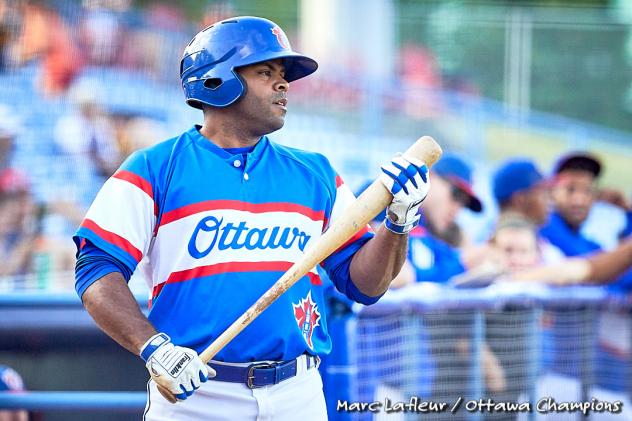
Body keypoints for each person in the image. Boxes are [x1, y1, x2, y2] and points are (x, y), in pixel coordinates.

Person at [73, 16, 430, 420]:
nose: (283, 84)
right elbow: (96, 271)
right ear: (217, 79)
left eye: (284, 75)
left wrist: (398, 223)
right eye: (265, 72)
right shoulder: (154, 168)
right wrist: (154, 348)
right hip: (197, 396)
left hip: (299, 392)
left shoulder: (316, 173)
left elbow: (364, 284)